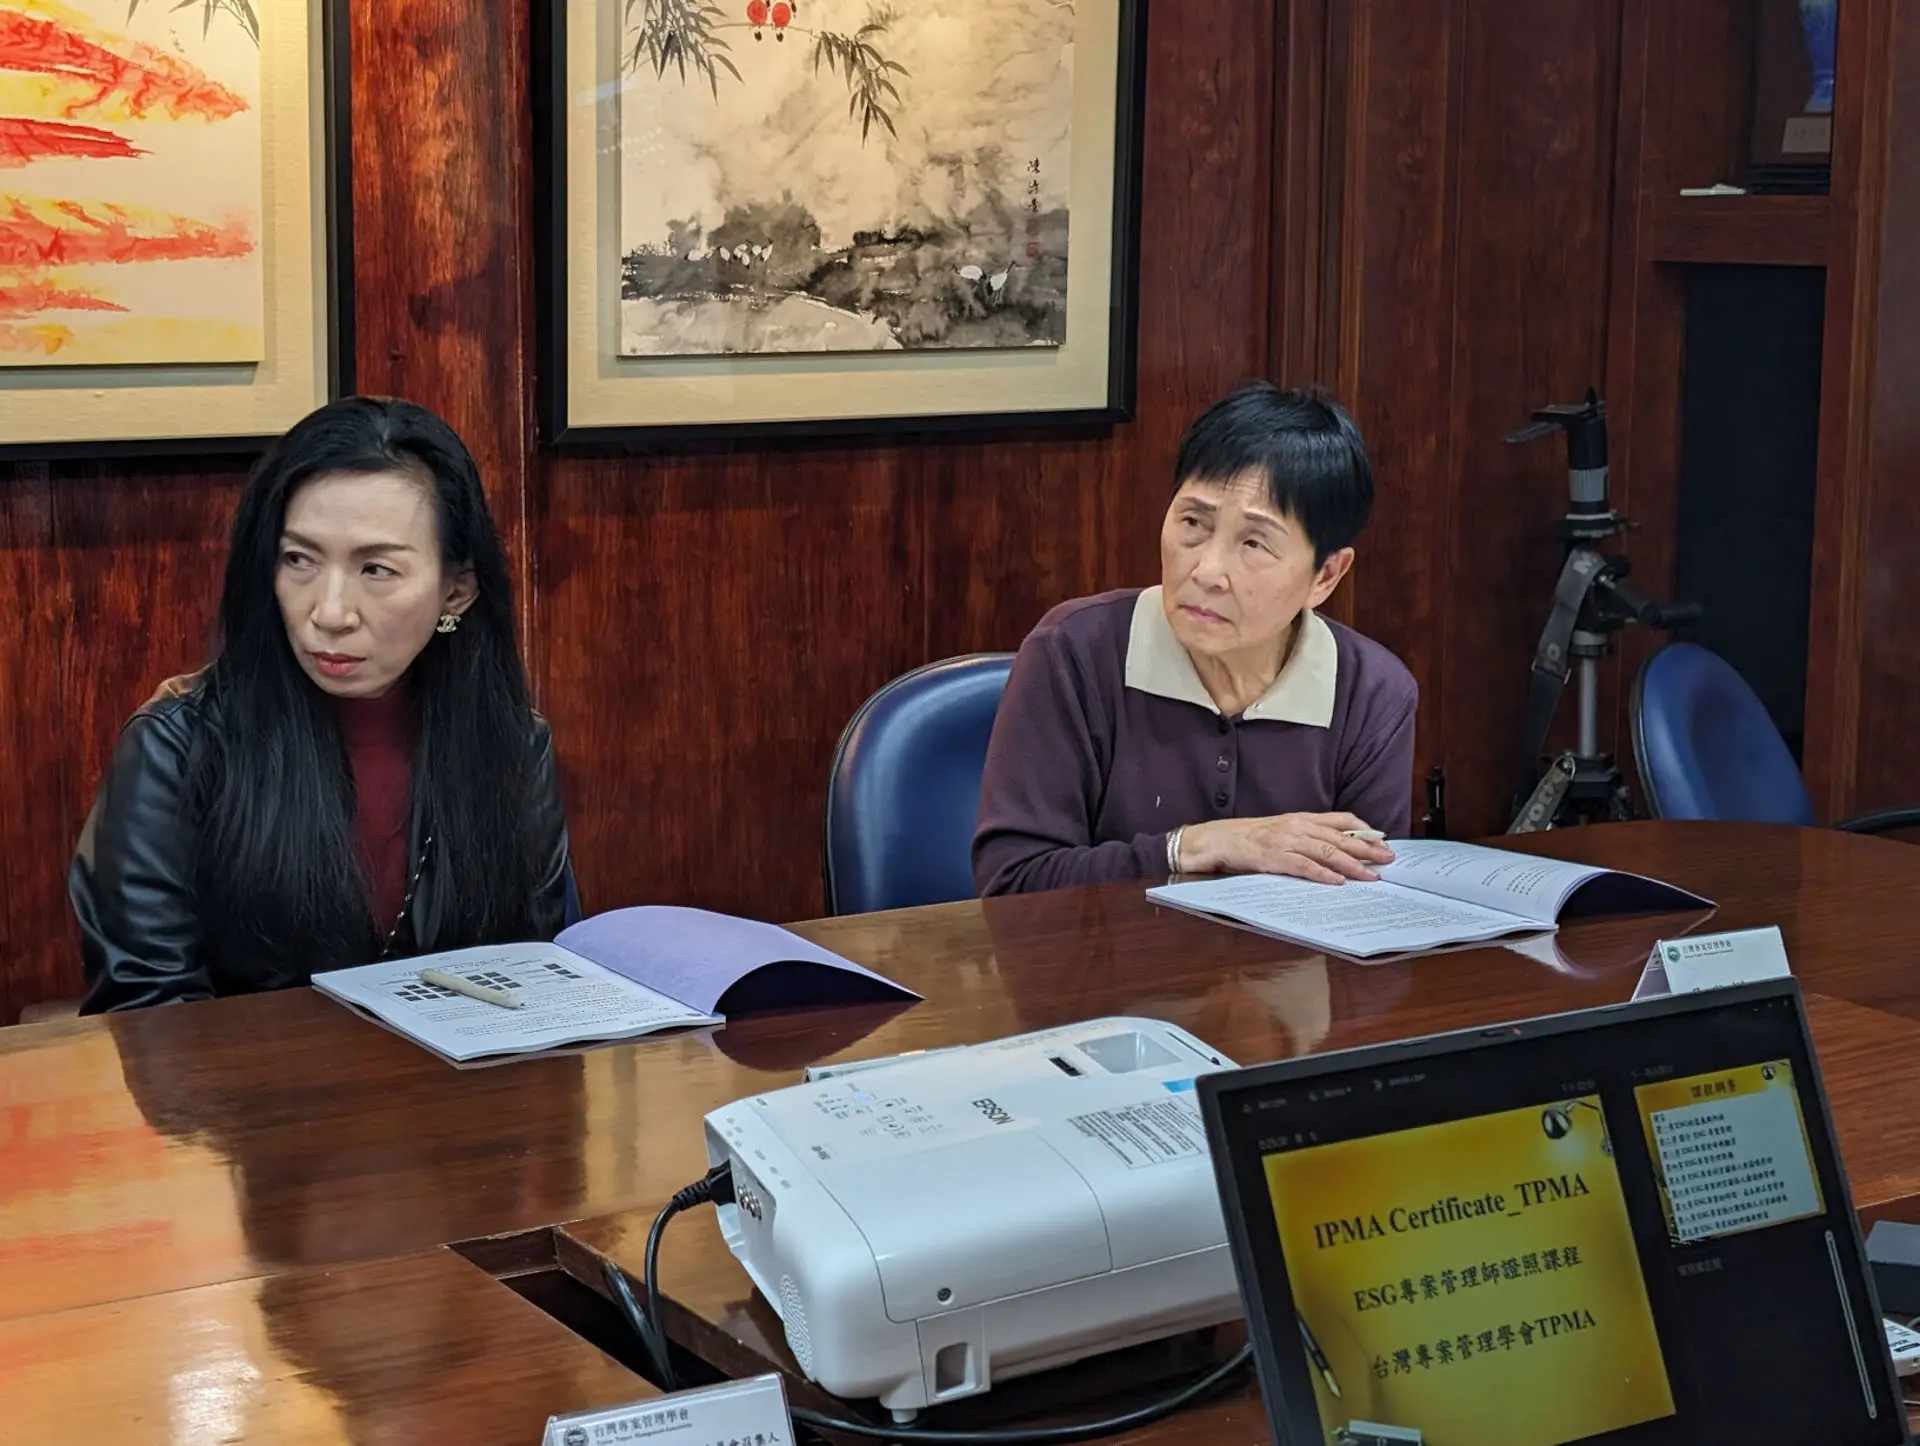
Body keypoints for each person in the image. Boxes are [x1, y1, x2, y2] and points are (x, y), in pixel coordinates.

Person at [70, 397, 571, 1012]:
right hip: (242, 1077)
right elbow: (147, 1006)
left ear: (456, 591)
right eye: (299, 560)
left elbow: (539, 972)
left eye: (377, 569)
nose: (330, 613)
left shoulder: (512, 744)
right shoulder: (175, 744)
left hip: (460, 1073)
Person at [973, 382, 1416, 897]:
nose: (1206, 571)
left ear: (1326, 575)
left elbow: (1369, 896)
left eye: (1254, 543)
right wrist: (1194, 847)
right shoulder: (1073, 652)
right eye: (1192, 522)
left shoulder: (1372, 693)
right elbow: (1012, 886)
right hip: (1100, 954)